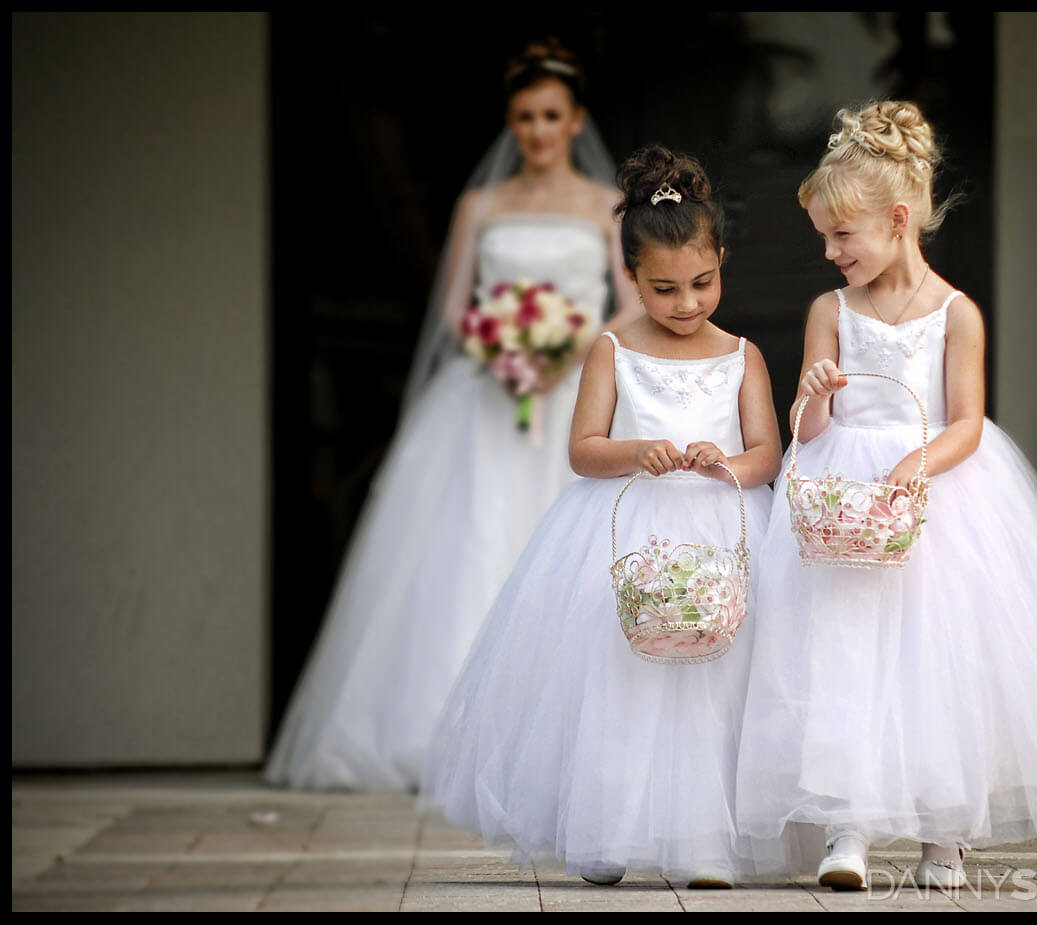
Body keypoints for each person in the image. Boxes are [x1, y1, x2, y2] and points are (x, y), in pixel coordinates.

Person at [734, 101, 1037, 891]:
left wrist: (918, 460)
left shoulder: (955, 313)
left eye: (841, 236)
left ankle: (944, 834)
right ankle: (846, 824)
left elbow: (967, 420)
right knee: (842, 657)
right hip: (844, 505)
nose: (828, 252)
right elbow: (804, 421)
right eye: (822, 237)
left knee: (942, 665)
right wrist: (819, 390)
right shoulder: (829, 312)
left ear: (897, 220)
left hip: (934, 501)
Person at [265, 38, 639, 792]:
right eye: (524, 116)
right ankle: (446, 734)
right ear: (511, 122)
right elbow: (451, 306)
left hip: (573, 393)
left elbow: (630, 304)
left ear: (575, 121)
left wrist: (569, 350)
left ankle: (563, 737)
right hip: (486, 394)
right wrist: (503, 345)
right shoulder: (480, 205)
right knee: (467, 545)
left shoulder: (605, 206)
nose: (536, 130)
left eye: (550, 115)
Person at [421, 145, 782, 888]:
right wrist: (638, 449)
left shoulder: (742, 356)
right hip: (624, 529)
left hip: (719, 526)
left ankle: (705, 839)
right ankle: (607, 825)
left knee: (715, 683)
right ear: (630, 277)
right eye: (663, 289)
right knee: (620, 677)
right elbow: (583, 449)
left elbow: (767, 452)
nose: (686, 304)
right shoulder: (611, 349)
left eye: (701, 283)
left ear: (720, 258)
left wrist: (727, 467)